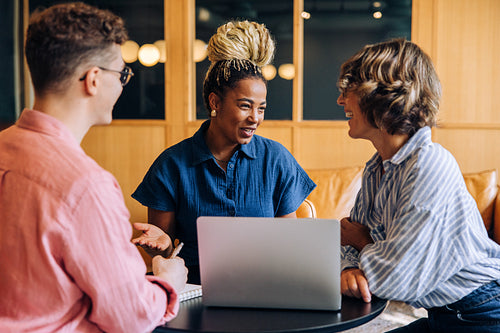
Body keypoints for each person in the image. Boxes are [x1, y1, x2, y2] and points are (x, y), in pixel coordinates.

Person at [0, 3, 187, 332]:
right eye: (123, 74)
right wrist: (168, 281)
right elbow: (131, 317)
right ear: (94, 80)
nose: (123, 84)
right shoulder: (85, 185)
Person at [132, 20, 316, 284]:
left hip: (265, 285)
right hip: (196, 287)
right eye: (245, 106)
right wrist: (160, 248)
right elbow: (167, 255)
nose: (255, 118)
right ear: (215, 102)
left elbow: (288, 244)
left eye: (261, 108)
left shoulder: (276, 159)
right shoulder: (171, 164)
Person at [336, 38, 500, 332]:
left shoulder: (430, 164)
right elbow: (346, 239)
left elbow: (395, 279)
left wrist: (362, 242)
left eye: (349, 91)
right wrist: (348, 267)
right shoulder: (377, 168)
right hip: (444, 314)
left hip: (484, 312)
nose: (340, 101)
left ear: (384, 96)